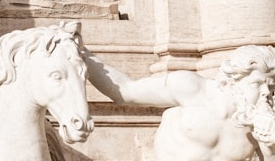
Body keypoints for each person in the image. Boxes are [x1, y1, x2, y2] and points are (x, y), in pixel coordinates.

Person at [83, 45, 275, 161]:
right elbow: (126, 91)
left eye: (271, 87)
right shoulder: (192, 89)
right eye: (257, 84)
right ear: (234, 79)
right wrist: (81, 52)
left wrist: (270, 149)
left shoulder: (263, 123)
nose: (266, 93)